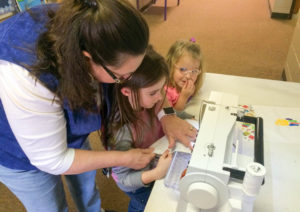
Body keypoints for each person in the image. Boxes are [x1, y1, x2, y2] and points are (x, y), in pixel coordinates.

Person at [0, 0, 197, 212]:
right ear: (87, 60)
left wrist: (167, 115)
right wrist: (123, 157)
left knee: (86, 185)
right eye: (123, 77)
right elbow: (52, 159)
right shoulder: (25, 74)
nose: (130, 80)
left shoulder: (108, 35)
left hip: (68, 129)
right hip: (17, 151)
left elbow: (150, 77)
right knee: (49, 206)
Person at [102, 46, 173, 212]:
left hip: (155, 167)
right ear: (127, 91)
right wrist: (155, 174)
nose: (161, 97)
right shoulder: (121, 131)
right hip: (139, 183)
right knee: (145, 205)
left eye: (161, 89)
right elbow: (123, 179)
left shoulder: (150, 100)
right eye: (153, 93)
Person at [165, 39, 204, 112]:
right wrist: (183, 97)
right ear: (170, 66)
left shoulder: (191, 84)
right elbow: (169, 115)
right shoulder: (165, 91)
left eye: (194, 71)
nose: (188, 76)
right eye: (183, 69)